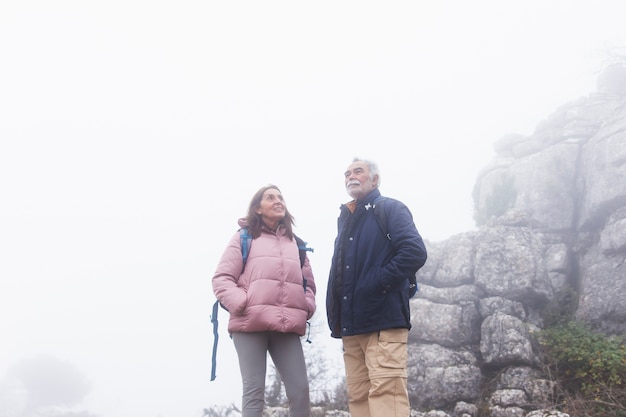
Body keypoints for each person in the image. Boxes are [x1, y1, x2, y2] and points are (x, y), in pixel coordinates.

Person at [326, 158, 427, 417]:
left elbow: (414, 252)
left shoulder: (390, 209)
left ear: (375, 179)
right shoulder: (347, 220)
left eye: (358, 171)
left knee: (386, 396)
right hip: (351, 325)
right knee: (359, 399)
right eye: (347, 173)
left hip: (382, 320)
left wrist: (376, 284)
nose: (350, 176)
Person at [212, 185, 316, 417]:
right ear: (258, 208)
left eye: (280, 197)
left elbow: (308, 285)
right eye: (270, 197)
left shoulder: (296, 244)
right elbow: (221, 279)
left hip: (286, 326)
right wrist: (243, 303)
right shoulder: (244, 237)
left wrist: (306, 306)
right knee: (254, 391)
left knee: (300, 390)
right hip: (250, 325)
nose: (278, 201)